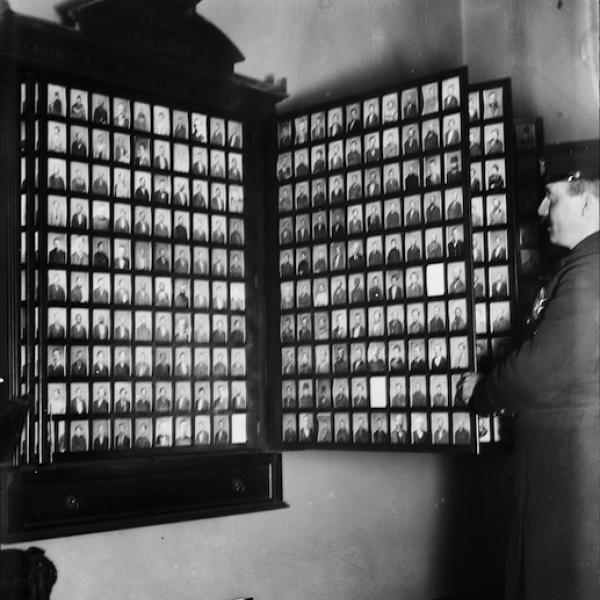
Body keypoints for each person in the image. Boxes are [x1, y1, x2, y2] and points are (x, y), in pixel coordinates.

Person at [462, 163, 600, 600]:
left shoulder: (589, 271)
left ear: (585, 199)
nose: (542, 208)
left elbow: (543, 367)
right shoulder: (582, 265)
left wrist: (483, 390)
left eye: (551, 196)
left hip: (571, 462)